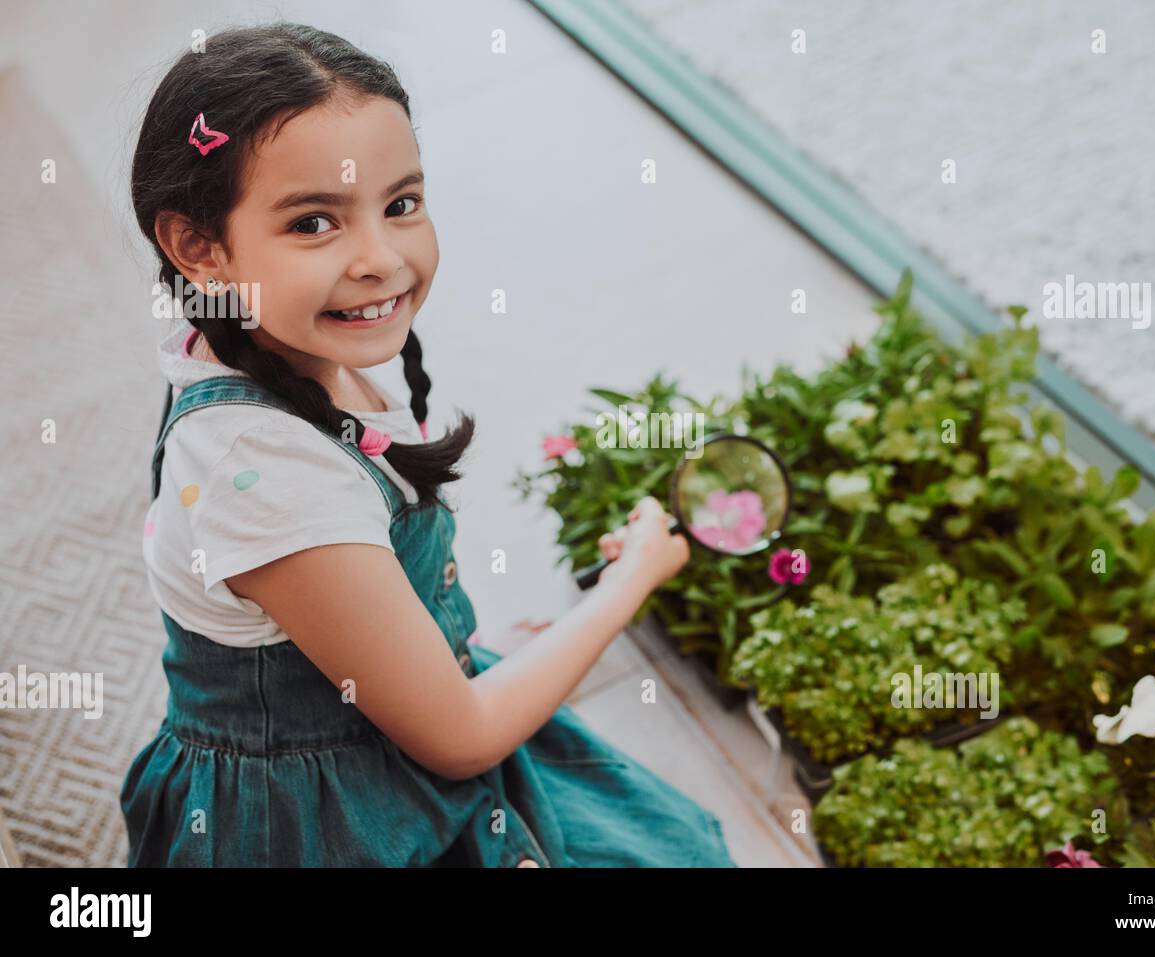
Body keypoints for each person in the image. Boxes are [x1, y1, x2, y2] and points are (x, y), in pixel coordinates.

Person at [121, 21, 735, 868]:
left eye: (401, 204)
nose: (380, 257)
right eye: (312, 223)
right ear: (199, 246)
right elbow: (461, 738)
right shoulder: (262, 470)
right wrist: (630, 581)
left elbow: (350, 603)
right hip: (325, 820)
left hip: (373, 720)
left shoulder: (266, 346)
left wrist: (448, 649)